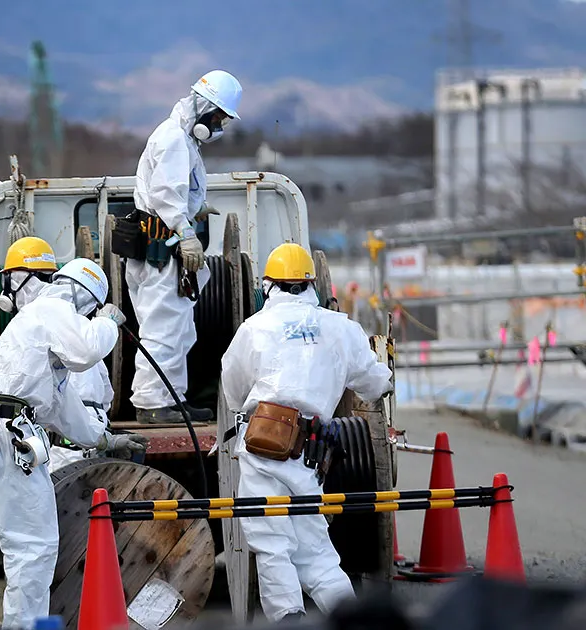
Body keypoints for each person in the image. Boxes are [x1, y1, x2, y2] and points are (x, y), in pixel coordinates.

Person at [0, 258, 147, 630]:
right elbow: (87, 351)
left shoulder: (29, 333)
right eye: (88, 310)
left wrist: (105, 439)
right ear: (83, 298)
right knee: (32, 551)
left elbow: (64, 409)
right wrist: (107, 323)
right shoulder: (52, 308)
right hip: (6, 443)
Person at [220, 243, 393, 622]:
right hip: (310, 451)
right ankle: (352, 620)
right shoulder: (341, 327)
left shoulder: (254, 328)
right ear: (311, 284)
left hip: (264, 444)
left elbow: (232, 386)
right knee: (315, 550)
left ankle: (287, 619)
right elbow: (375, 383)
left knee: (271, 543)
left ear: (269, 285)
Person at [127, 69, 243, 425]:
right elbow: (165, 194)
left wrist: (195, 208)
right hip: (162, 247)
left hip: (166, 246)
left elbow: (176, 191)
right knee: (163, 329)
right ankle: (151, 404)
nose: (220, 125)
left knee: (179, 329)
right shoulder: (174, 139)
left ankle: (171, 400)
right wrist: (185, 229)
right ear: (204, 108)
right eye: (219, 117)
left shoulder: (183, 139)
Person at [0, 237, 116, 471]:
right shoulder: (54, 319)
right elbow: (88, 360)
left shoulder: (42, 323)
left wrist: (100, 439)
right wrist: (108, 324)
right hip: (38, 445)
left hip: (34, 445)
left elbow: (65, 398)